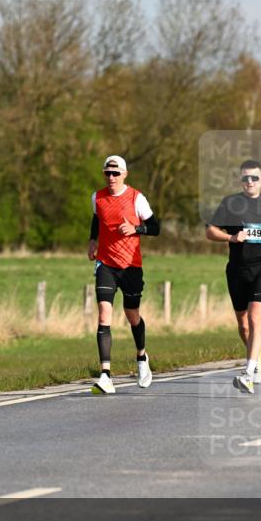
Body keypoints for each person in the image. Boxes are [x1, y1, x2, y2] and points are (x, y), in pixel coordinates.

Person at [206, 160, 261, 394]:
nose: (250, 182)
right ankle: (258, 357)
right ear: (241, 181)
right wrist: (231, 238)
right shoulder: (231, 203)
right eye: (245, 178)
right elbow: (210, 231)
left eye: (254, 178)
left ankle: (249, 371)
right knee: (244, 325)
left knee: (256, 317)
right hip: (237, 269)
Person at [88, 155, 160, 395]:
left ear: (125, 174)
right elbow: (97, 218)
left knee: (132, 316)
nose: (111, 178)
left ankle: (141, 357)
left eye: (115, 173)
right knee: (103, 314)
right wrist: (92, 241)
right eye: (107, 173)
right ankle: (106, 375)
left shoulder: (136, 198)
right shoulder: (97, 197)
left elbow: (156, 227)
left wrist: (136, 228)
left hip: (130, 266)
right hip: (106, 263)